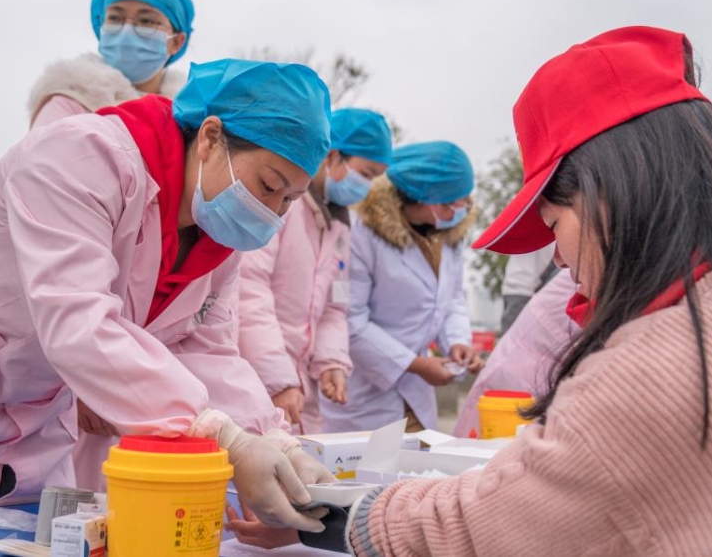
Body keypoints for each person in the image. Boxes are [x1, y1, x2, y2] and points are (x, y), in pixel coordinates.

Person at [332, 26, 712, 555]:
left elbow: (487, 526)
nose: (557, 257)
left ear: (607, 195)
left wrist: (341, 517)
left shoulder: (648, 373)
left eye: (551, 225)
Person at [0, 58, 336, 533]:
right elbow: (79, 325)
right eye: (269, 186)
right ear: (211, 138)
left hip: (35, 418)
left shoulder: (217, 238)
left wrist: (273, 439)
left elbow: (205, 348)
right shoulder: (82, 156)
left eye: (289, 200)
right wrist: (225, 439)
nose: (271, 214)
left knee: (17, 535)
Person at [238, 108, 393, 434]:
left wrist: (332, 361)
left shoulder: (339, 225)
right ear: (333, 156)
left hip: (298, 393)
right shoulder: (281, 204)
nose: (366, 187)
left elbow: (335, 307)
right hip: (254, 379)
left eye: (374, 178)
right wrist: (277, 376)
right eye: (365, 174)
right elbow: (249, 290)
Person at [321, 141, 484, 434]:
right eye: (449, 204)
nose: (458, 212)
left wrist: (458, 341)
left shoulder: (447, 237)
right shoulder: (361, 234)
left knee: (417, 472)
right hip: (362, 391)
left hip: (418, 392)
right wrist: (415, 364)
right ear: (416, 197)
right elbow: (351, 320)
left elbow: (451, 299)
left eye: (464, 202)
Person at [27, 0, 192, 128]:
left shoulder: (192, 123)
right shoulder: (69, 104)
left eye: (146, 21)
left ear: (176, 42)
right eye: (115, 18)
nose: (127, 32)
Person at [453, 268, 577, 438]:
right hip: (515, 385)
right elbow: (518, 286)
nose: (559, 260)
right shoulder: (577, 276)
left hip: (539, 379)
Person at [498, 244, 556, 335]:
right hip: (526, 291)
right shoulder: (551, 236)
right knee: (517, 339)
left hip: (512, 288)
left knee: (511, 337)